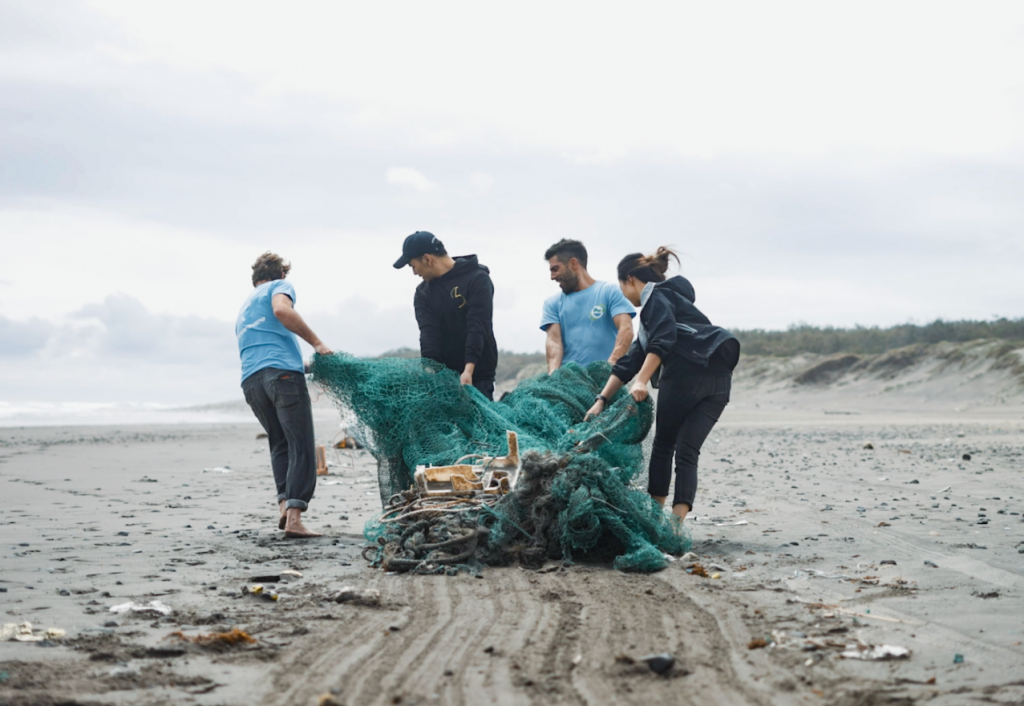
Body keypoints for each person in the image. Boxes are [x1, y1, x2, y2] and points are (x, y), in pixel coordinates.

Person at [585, 247, 739, 523]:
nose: (624, 295)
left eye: (622, 286)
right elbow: (631, 359)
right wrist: (602, 400)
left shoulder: (654, 299)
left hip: (686, 377)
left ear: (629, 279)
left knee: (664, 446)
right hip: (719, 381)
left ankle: (655, 520)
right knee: (688, 453)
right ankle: (676, 526)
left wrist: (642, 380)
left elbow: (662, 340)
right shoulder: (676, 302)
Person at [236, 252, 332, 538]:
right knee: (301, 444)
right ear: (280, 276)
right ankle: (294, 519)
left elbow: (264, 350)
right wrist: (317, 343)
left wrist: (301, 365)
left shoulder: (245, 307)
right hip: (282, 377)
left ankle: (283, 509)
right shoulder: (279, 288)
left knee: (279, 444)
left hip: (252, 382)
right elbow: (282, 310)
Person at [394, 231, 499, 400]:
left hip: (478, 375)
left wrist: (468, 370)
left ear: (427, 259)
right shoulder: (423, 293)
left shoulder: (477, 278)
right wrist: (430, 373)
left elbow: (478, 326)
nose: (414, 272)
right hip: (444, 378)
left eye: (412, 266)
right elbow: (429, 335)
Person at [540, 239, 635, 373]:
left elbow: (626, 329)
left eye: (555, 269)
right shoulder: (552, 303)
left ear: (573, 264)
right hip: (569, 383)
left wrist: (610, 366)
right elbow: (554, 342)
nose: (552, 277)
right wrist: (553, 377)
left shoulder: (609, 292)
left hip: (607, 381)